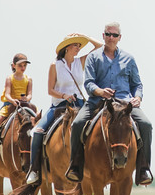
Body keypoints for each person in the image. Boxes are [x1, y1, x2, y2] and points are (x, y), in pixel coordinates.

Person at [65, 21, 153, 186]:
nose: (111, 38)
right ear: (103, 36)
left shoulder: (129, 59)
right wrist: (100, 91)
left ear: (120, 37)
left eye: (114, 35)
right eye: (108, 34)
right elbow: (89, 83)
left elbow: (137, 84)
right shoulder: (93, 57)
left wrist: (138, 97)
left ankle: (143, 169)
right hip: (98, 101)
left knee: (146, 125)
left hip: (125, 102)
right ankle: (75, 166)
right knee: (77, 124)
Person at [25, 32, 102, 185]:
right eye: (75, 45)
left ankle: (97, 166)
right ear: (66, 48)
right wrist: (64, 95)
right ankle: (34, 170)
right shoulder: (55, 65)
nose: (78, 48)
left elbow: (100, 47)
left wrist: (84, 36)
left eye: (79, 46)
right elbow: (50, 90)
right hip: (59, 105)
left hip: (79, 104)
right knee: (38, 131)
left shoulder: (80, 62)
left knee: (98, 127)